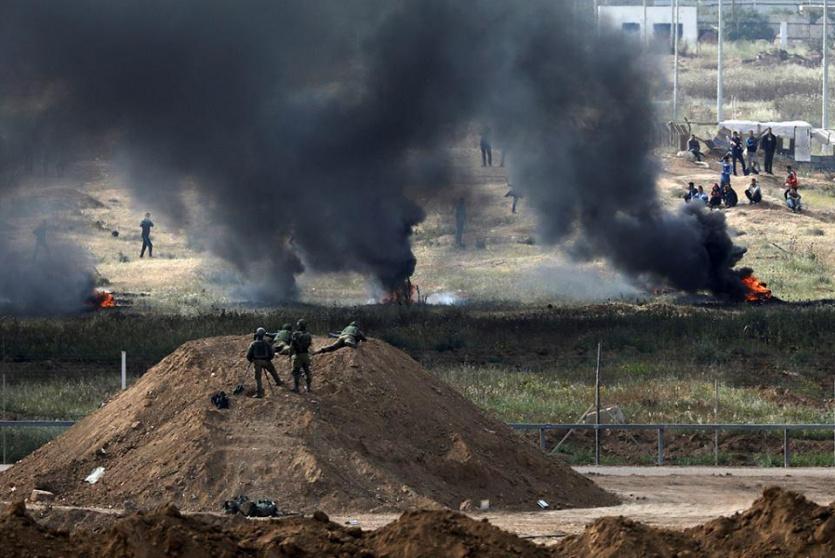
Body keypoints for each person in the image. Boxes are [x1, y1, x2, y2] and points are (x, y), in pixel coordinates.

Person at [246, 327, 282, 398]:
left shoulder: (253, 344)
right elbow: (272, 353)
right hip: (266, 361)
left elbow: (248, 355)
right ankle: (278, 382)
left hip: (257, 362)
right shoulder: (267, 343)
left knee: (258, 378)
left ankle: (259, 393)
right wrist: (268, 359)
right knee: (273, 371)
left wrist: (252, 360)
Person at [289, 319, 313, 393]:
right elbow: (309, 344)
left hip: (298, 355)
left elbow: (292, 346)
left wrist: (290, 355)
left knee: (296, 372)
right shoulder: (308, 335)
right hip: (306, 355)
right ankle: (308, 388)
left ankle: (296, 388)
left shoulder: (295, 334)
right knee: (307, 371)